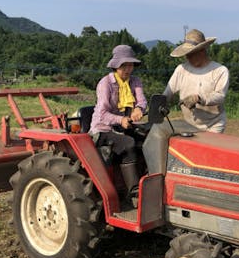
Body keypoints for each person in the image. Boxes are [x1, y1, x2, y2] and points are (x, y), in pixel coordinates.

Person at [143, 28, 229, 175]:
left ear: (202, 51)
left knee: (206, 162)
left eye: (191, 54)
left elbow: (220, 96)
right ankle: (158, 176)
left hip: (213, 125)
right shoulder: (181, 70)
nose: (188, 57)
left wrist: (199, 98)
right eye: (186, 54)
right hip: (189, 125)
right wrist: (154, 108)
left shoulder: (219, 70)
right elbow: (167, 93)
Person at [89, 45, 147, 203]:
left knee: (149, 140)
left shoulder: (135, 81)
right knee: (128, 144)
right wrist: (120, 119)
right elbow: (102, 113)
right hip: (103, 128)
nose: (128, 69)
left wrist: (138, 109)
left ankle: (148, 181)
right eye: (124, 65)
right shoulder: (105, 83)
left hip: (124, 126)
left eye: (131, 65)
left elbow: (141, 101)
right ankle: (134, 194)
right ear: (116, 65)